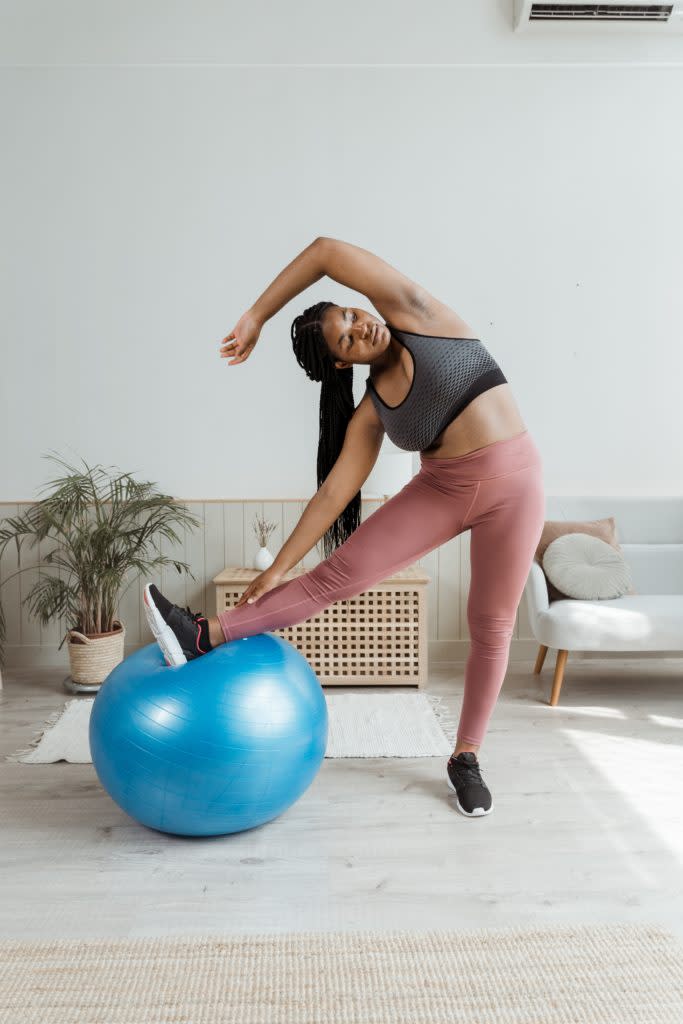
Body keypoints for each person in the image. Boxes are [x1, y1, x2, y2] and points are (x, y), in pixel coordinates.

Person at [143, 236, 545, 817]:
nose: (362, 328)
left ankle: (465, 757)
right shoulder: (373, 408)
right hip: (443, 489)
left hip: (516, 485)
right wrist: (278, 568)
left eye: (353, 315)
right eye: (347, 338)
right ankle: (200, 634)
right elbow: (336, 491)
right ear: (341, 362)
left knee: (490, 623)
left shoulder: (418, 315)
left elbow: (327, 250)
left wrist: (257, 315)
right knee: (335, 575)